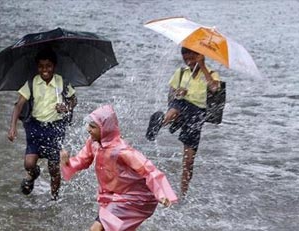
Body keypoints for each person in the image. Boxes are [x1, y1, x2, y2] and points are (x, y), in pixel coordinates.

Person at [60, 105, 177, 231]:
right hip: (114, 196)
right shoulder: (93, 143)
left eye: (93, 127)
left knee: (96, 228)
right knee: (111, 227)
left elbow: (148, 169)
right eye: (89, 125)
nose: (88, 129)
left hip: (134, 198)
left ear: (105, 128)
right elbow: (82, 160)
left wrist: (162, 194)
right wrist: (67, 163)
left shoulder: (121, 150)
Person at [145, 47, 221, 196]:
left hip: (197, 114)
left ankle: (183, 193)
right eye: (185, 56)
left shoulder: (211, 74)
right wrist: (178, 93)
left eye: (192, 56)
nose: (188, 59)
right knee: (175, 108)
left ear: (200, 56)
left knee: (188, 161)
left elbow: (214, 89)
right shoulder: (181, 73)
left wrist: (203, 66)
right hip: (180, 106)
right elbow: (171, 96)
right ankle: (160, 121)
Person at [8, 48, 77, 200]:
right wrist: (12, 127)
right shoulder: (32, 83)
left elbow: (74, 99)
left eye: (48, 66)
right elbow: (18, 105)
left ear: (54, 66)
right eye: (41, 66)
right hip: (35, 127)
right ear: (37, 67)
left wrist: (66, 107)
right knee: (29, 163)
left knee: (54, 169)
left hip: (55, 128)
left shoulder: (61, 82)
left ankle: (55, 198)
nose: (45, 70)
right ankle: (34, 174)